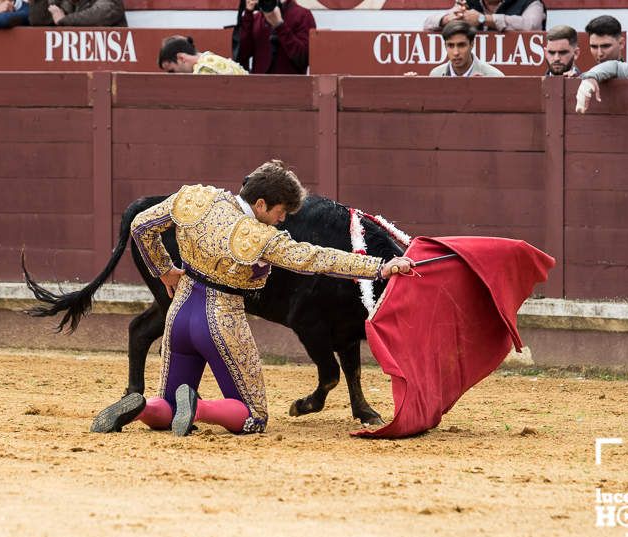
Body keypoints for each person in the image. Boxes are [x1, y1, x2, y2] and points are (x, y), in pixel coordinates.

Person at [89, 160, 414, 436]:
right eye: (281, 212)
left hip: (179, 314)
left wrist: (164, 269)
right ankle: (199, 408)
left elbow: (140, 225)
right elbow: (318, 259)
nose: (283, 220)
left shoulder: (195, 198)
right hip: (220, 321)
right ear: (261, 204)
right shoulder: (259, 238)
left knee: (168, 406)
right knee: (253, 416)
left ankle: (141, 406)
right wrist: (381, 267)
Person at [237, 0, 315, 74]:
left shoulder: (302, 15)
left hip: (290, 85)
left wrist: (280, 26)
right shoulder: (256, 18)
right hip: (260, 84)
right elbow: (241, 56)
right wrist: (248, 13)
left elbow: (303, 58)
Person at [430, 21, 504, 77]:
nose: (456, 52)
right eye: (450, 45)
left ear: (472, 44)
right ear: (445, 46)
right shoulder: (435, 75)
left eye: (461, 45)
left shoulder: (494, 76)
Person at [423, 0, 546, 32]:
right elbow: (428, 23)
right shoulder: (469, 3)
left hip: (521, 71)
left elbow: (531, 26)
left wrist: (483, 19)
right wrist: (446, 20)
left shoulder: (530, 2)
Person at [158, 35, 248, 75]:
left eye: (172, 71)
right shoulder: (210, 58)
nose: (172, 76)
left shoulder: (203, 70)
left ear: (181, 58)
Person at [29, 0, 126, 27]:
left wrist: (64, 20)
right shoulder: (65, 2)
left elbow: (103, 13)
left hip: (108, 64)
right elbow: (38, 20)